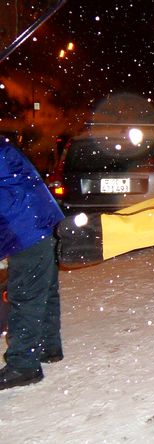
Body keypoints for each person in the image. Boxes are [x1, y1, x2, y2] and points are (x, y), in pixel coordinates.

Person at [0, 137, 65, 390]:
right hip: (42, 220)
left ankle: (23, 365)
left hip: (25, 227)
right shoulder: (3, 147)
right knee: (44, 288)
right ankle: (48, 347)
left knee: (25, 294)